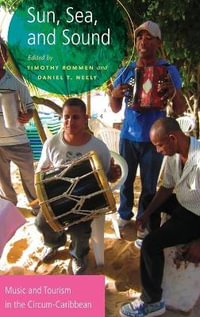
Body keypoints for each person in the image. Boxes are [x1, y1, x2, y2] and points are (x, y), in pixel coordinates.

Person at [110, 21, 186, 238]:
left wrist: (173, 93)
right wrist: (114, 95)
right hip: (128, 136)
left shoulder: (168, 70)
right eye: (139, 37)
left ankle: (144, 219)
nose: (143, 41)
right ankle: (125, 215)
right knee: (125, 180)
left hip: (156, 140)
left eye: (149, 38)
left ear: (158, 43)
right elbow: (115, 109)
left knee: (150, 184)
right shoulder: (126, 70)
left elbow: (179, 109)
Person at [120, 117, 200, 317]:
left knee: (151, 245)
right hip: (184, 203)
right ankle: (155, 248)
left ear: (172, 138)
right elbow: (166, 188)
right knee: (148, 199)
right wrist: (146, 215)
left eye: (159, 145)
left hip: (195, 217)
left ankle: (152, 302)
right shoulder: (174, 154)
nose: (157, 151)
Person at [35, 98, 121, 275]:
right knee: (41, 222)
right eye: (66, 117)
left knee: (79, 230)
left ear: (85, 118)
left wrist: (113, 174)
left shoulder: (98, 147)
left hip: (86, 202)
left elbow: (104, 180)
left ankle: (78, 255)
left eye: (75, 117)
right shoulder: (51, 144)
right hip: (57, 199)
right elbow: (42, 171)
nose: (70, 122)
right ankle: (54, 243)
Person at [0, 37, 39, 215]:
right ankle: (10, 209)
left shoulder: (17, 83)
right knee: (4, 182)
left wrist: (26, 116)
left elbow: (30, 109)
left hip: (18, 140)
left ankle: (36, 206)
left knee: (29, 178)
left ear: (5, 57)